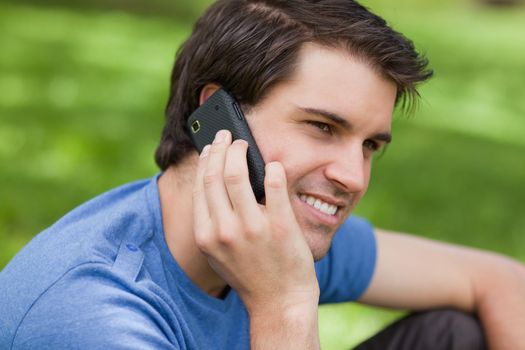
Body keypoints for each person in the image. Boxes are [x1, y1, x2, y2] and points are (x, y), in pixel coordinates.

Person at [1, 0, 524, 349]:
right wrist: (285, 304)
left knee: (452, 335)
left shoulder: (272, 227)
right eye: (322, 127)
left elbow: (499, 281)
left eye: (369, 145)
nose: (353, 176)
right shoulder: (94, 316)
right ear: (217, 122)